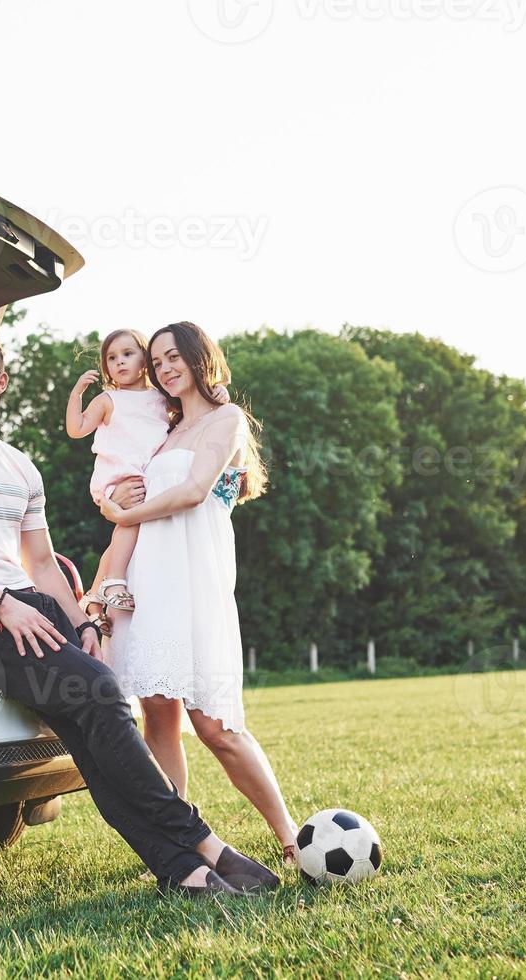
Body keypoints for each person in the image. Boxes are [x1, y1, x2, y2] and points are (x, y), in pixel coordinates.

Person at [0, 323, 279, 897]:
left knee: (93, 729)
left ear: (0, 381)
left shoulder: (20, 466)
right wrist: (2, 604)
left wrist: (85, 623)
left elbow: (42, 564)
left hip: (27, 605)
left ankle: (184, 871)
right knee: (98, 691)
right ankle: (203, 845)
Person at [102, 321, 302, 867]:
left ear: (199, 359)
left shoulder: (227, 419)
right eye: (157, 360)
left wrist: (123, 510)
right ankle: (178, 840)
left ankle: (289, 837)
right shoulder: (158, 435)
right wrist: (112, 510)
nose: (165, 368)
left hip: (196, 583)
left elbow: (192, 493)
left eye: (174, 357)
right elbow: (121, 498)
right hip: (150, 582)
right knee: (157, 716)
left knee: (216, 725)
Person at [65, 328, 225, 633]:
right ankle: (113, 583)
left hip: (145, 473)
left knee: (128, 533)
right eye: (112, 358)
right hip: (119, 473)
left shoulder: (160, 397)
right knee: (131, 523)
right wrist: (76, 395)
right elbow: (77, 429)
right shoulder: (109, 399)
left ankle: (92, 598)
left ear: (144, 362)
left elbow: (195, 409)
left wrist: (221, 392)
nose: (120, 362)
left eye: (128, 354)